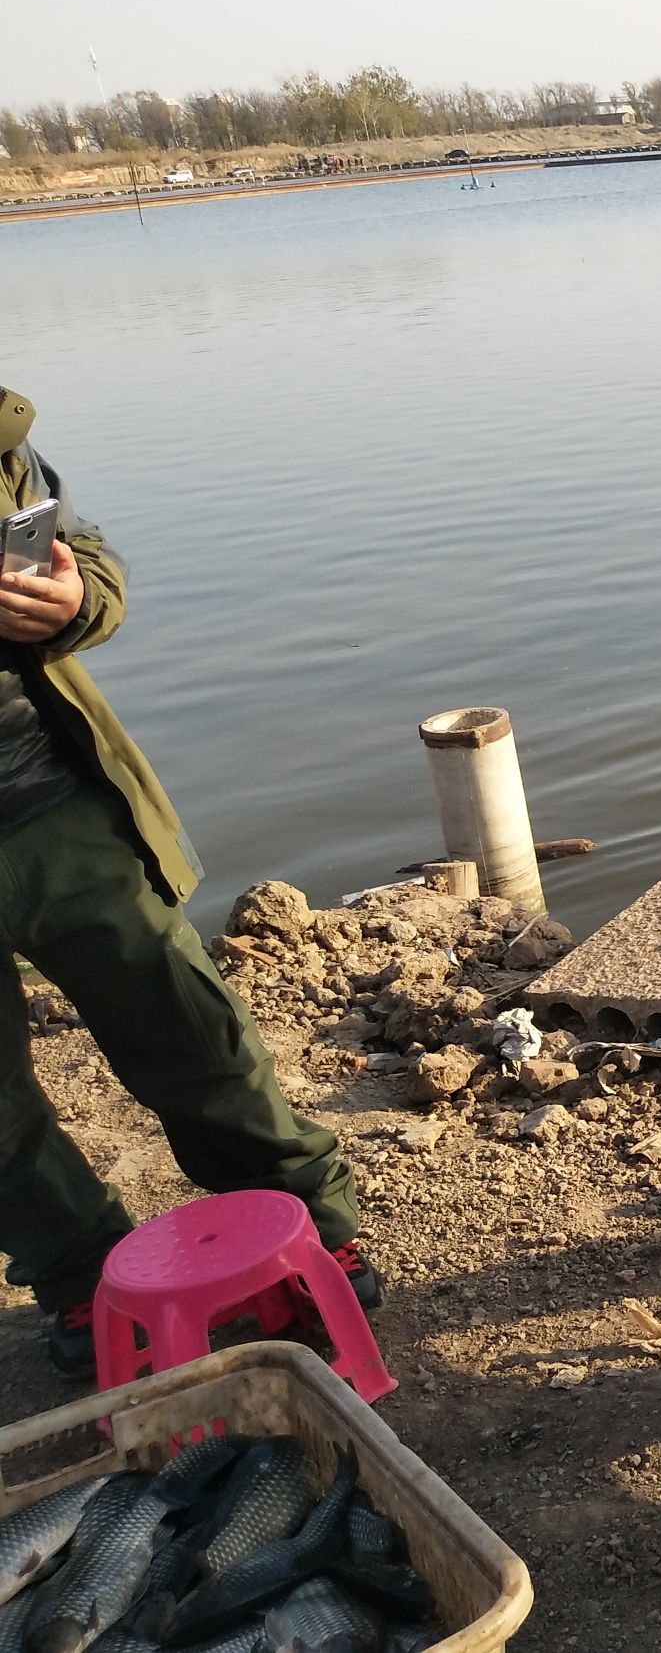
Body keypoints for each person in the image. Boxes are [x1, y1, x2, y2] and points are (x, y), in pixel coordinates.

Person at [0, 387, 377, 1379]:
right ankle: (79, 1274)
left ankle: (301, 1226)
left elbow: (86, 555)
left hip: (49, 803)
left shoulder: (3, 441)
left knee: (187, 1025)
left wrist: (76, 602)